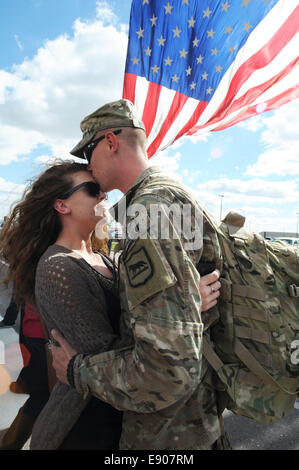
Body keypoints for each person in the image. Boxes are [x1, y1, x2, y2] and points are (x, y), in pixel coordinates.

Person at [50, 99, 228, 450]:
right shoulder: (173, 194)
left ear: (110, 142)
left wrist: (76, 370)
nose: (89, 164)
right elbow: (182, 315)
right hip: (198, 418)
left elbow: (166, 370)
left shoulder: (147, 213)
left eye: (89, 151)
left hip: (166, 434)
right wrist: (189, 304)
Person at [0, 161, 125, 450]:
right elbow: (105, 357)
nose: (103, 196)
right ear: (62, 206)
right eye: (93, 189)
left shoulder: (103, 258)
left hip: (118, 418)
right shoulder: (58, 266)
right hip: (85, 428)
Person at [0, 299, 50, 450]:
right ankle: (9, 443)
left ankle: (10, 440)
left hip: (37, 329)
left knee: (41, 394)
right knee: (42, 395)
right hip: (44, 332)